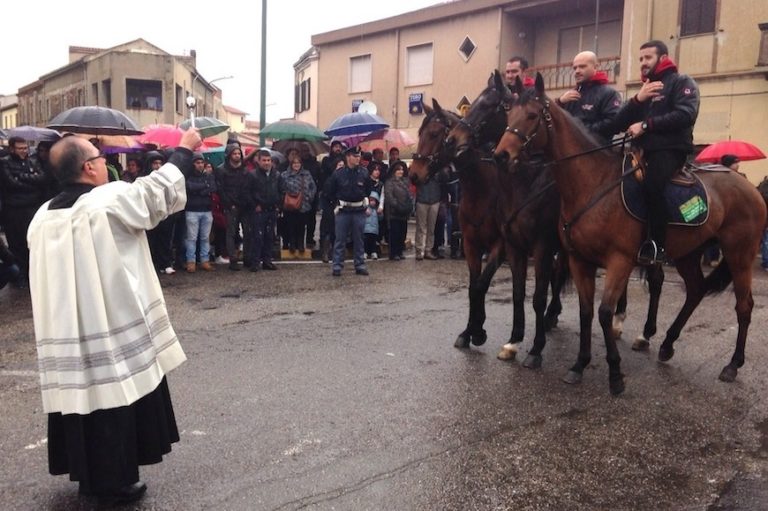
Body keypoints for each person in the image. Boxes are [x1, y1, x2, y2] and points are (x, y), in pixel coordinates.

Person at [26, 127, 202, 506]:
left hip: (67, 333)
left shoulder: (41, 217)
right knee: (114, 398)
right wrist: (184, 150)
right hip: (108, 325)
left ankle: (87, 477)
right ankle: (113, 482)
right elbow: (156, 196)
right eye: (100, 157)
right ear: (89, 168)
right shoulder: (106, 201)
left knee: (80, 401)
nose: (105, 164)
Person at [608, 40, 699, 264]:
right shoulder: (645, 89)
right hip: (641, 151)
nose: (643, 63)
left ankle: (657, 245)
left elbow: (686, 114)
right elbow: (616, 124)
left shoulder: (681, 82)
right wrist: (637, 99)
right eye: (640, 59)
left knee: (652, 184)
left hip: (670, 150)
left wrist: (646, 125)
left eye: (648, 58)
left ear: (663, 58)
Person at [0, 136, 48, 287]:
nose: (23, 151)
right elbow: (11, 183)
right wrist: (30, 180)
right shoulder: (4, 163)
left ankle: (31, 274)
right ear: (12, 148)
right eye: (20, 148)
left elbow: (42, 179)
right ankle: (20, 276)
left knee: (32, 241)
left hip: (31, 207)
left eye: (25, 148)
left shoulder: (33, 161)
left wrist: (21, 177)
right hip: (13, 210)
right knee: (16, 243)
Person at [556, 50, 622, 144]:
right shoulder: (568, 96)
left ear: (595, 67)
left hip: (596, 153)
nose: (577, 71)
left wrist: (580, 130)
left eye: (582, 66)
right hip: (568, 152)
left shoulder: (609, 94)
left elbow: (613, 123)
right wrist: (560, 102)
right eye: (575, 68)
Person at [325, 145, 372, 276]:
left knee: (359, 239)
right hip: (343, 210)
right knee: (340, 239)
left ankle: (360, 264)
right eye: (355, 156)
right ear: (348, 157)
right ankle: (337, 266)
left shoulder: (364, 173)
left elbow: (367, 191)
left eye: (359, 156)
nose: (358, 159)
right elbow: (330, 191)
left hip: (358, 211)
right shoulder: (338, 174)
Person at [214, 143, 250, 271]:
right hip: (230, 206)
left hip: (244, 205)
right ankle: (233, 258)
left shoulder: (245, 170)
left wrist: (244, 202)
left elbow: (247, 188)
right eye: (234, 153)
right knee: (231, 232)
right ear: (229, 155)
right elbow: (220, 189)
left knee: (247, 231)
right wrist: (229, 204)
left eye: (239, 153)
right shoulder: (221, 170)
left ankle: (247, 257)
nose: (237, 156)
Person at [248, 149, 281, 271]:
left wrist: (278, 205)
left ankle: (267, 261)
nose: (267, 163)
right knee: (257, 237)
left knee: (269, 236)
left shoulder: (276, 175)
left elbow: (281, 190)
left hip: (272, 210)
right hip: (259, 210)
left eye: (269, 160)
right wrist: (254, 204)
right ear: (258, 161)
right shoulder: (252, 175)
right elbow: (247, 192)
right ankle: (255, 262)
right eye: (264, 160)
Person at [145, 151, 177, 274]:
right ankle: (153, 264)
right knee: (151, 240)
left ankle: (166, 263)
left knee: (165, 239)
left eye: (160, 163)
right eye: (155, 163)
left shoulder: (165, 178)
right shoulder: (143, 178)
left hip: (165, 213)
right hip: (150, 213)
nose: (158, 166)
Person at [184, 152, 216, 272]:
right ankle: (191, 261)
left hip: (206, 210)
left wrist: (199, 189)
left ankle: (204, 260)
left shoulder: (209, 176)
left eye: (202, 162)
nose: (200, 165)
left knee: (205, 237)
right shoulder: (189, 176)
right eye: (198, 163)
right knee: (191, 238)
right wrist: (204, 187)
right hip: (192, 210)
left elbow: (213, 187)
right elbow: (189, 187)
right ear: (193, 164)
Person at [279, 156, 317, 254]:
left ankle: (300, 243)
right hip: (290, 204)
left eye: (298, 163)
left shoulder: (307, 174)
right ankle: (291, 243)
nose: (296, 165)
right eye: (294, 163)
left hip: (304, 204)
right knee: (290, 225)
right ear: (291, 164)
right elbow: (281, 188)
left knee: (301, 225)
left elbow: (313, 187)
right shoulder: (284, 175)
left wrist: (309, 197)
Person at [383, 161, 412, 260]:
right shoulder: (389, 182)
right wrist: (398, 206)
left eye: (402, 170)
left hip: (404, 213)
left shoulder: (405, 182)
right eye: (398, 170)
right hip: (394, 213)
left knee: (402, 234)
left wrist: (407, 206)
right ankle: (394, 253)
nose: (401, 171)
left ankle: (400, 251)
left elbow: (409, 195)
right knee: (395, 233)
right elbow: (389, 196)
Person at [318, 157, 345, 263]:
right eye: (339, 166)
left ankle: (336, 253)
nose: (341, 168)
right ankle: (325, 252)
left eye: (343, 166)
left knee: (338, 232)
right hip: (330, 207)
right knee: (327, 231)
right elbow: (327, 193)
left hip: (342, 206)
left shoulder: (346, 179)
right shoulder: (330, 179)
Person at [414, 166, 443, 261]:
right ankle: (419, 250)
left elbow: (444, 179)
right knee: (420, 227)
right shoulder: (421, 169)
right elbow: (415, 180)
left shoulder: (438, 171)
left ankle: (428, 250)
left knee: (431, 228)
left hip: (435, 200)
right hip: (422, 200)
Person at [363, 191, 382, 259]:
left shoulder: (376, 210)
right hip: (366, 229)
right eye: (371, 200)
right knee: (365, 242)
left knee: (373, 242)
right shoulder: (366, 209)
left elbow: (380, 218)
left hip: (374, 230)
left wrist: (380, 213)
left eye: (374, 200)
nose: (372, 202)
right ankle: (365, 252)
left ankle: (373, 252)